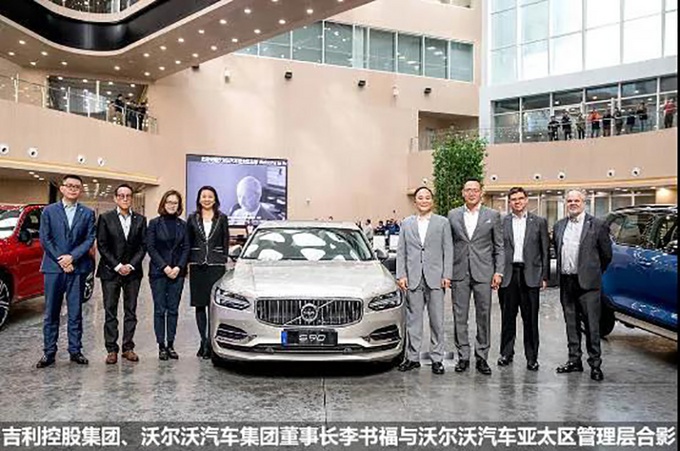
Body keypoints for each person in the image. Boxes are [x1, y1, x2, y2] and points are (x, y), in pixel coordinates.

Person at [552, 189, 613, 382]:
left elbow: (606, 255)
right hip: (566, 281)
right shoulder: (559, 225)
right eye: (569, 201)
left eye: (576, 201)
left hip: (588, 284)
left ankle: (595, 365)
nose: (572, 203)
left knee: (592, 326)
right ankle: (574, 360)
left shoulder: (598, 225)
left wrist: (593, 273)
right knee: (571, 324)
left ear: (583, 203)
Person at [36, 175, 96, 368]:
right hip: (54, 268)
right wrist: (62, 260)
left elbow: (89, 239)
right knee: (51, 312)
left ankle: (75, 350)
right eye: (69, 185)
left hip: (77, 268)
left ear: (81, 190)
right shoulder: (49, 211)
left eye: (76, 186)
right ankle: (49, 352)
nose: (72, 189)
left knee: (75, 312)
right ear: (62, 188)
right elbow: (45, 239)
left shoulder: (87, 213)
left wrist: (72, 257)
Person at [447, 179, 504, 376]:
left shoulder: (493, 215)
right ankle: (463, 356)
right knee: (459, 315)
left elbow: (499, 246)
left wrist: (498, 271)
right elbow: (448, 245)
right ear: (463, 193)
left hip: (484, 273)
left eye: (475, 190)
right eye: (468, 190)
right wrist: (447, 273)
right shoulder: (453, 215)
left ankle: (482, 357)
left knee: (484, 315)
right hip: (459, 272)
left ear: (481, 193)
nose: (471, 193)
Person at [396, 187, 453, 375]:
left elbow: (448, 250)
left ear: (432, 201)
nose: (424, 201)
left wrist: (447, 275)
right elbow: (401, 251)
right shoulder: (406, 223)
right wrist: (401, 275)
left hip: (436, 278)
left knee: (437, 321)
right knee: (414, 321)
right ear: (415, 202)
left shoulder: (442, 223)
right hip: (413, 278)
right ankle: (412, 358)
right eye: (420, 198)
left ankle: (437, 358)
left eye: (427, 198)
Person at [497, 187, 549, 372]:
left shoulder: (539, 222)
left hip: (531, 275)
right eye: (513, 199)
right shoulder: (502, 222)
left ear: (526, 200)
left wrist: (545, 276)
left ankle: (532, 358)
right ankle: (506, 353)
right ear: (509, 202)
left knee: (531, 320)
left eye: (520, 198)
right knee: (507, 318)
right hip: (508, 275)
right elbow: (497, 249)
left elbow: (544, 250)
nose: (517, 202)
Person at [96, 184, 147, 364]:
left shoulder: (141, 219)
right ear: (115, 198)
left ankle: (128, 348)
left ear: (131, 198)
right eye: (121, 196)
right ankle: (111, 349)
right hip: (110, 272)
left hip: (133, 273)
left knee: (130, 311)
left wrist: (131, 265)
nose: (125, 199)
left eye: (128, 196)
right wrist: (117, 266)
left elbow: (143, 246)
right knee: (110, 311)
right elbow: (102, 245)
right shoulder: (105, 218)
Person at [147, 190, 190, 361]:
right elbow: (151, 248)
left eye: (175, 203)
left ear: (179, 206)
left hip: (178, 273)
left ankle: (171, 344)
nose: (172, 205)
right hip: (158, 272)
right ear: (163, 204)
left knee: (173, 310)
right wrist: (165, 267)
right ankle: (161, 346)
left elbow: (186, 248)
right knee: (160, 310)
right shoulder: (154, 223)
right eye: (169, 202)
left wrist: (178, 267)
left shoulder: (183, 225)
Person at [188, 186, 230, 359]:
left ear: (215, 199)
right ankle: (203, 341)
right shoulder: (192, 218)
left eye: (210, 196)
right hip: (197, 265)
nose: (206, 199)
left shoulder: (222, 218)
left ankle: (211, 343)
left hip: (216, 265)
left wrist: (223, 257)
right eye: (203, 196)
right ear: (199, 199)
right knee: (200, 305)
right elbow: (189, 241)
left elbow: (225, 240)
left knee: (213, 306)